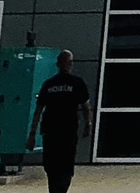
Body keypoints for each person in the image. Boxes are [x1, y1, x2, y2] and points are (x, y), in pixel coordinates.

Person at [28, 51, 92, 193]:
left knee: (56, 166)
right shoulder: (76, 83)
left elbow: (38, 111)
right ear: (68, 64)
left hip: (56, 132)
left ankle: (57, 190)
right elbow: (86, 107)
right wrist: (88, 125)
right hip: (63, 132)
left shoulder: (50, 84)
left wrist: (32, 135)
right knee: (61, 166)